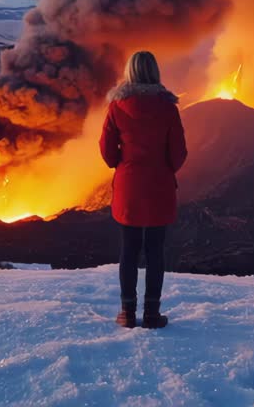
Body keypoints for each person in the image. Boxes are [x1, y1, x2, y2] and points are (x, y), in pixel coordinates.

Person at [99, 50, 187, 329]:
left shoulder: (116, 108)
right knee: (155, 251)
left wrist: (122, 164)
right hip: (159, 187)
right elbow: (178, 153)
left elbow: (107, 152)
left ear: (130, 73)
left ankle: (126, 313)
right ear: (155, 72)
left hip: (129, 189)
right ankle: (151, 314)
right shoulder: (168, 109)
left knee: (129, 250)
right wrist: (164, 169)